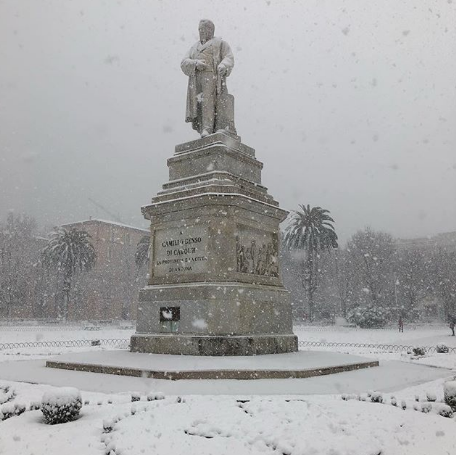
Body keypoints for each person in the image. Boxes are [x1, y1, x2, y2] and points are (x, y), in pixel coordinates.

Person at [181, 20, 236, 137]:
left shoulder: (220, 43)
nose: (201, 31)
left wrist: (223, 65)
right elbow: (184, 62)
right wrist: (195, 63)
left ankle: (208, 128)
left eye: (203, 29)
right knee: (199, 103)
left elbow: (229, 57)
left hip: (211, 76)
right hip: (196, 79)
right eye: (199, 29)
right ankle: (202, 127)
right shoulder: (194, 47)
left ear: (211, 30)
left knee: (208, 101)